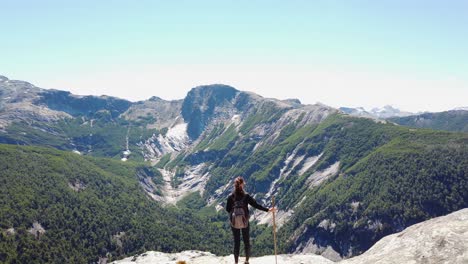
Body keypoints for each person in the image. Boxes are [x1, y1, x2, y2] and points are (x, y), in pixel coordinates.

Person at [226, 176, 276, 264]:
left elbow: (227, 209)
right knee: (246, 241)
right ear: (241, 185)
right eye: (243, 183)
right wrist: (268, 210)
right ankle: (246, 261)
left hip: (234, 222)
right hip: (245, 221)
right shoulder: (246, 196)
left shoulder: (231, 197)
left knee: (236, 242)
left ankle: (236, 262)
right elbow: (256, 205)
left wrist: (235, 212)